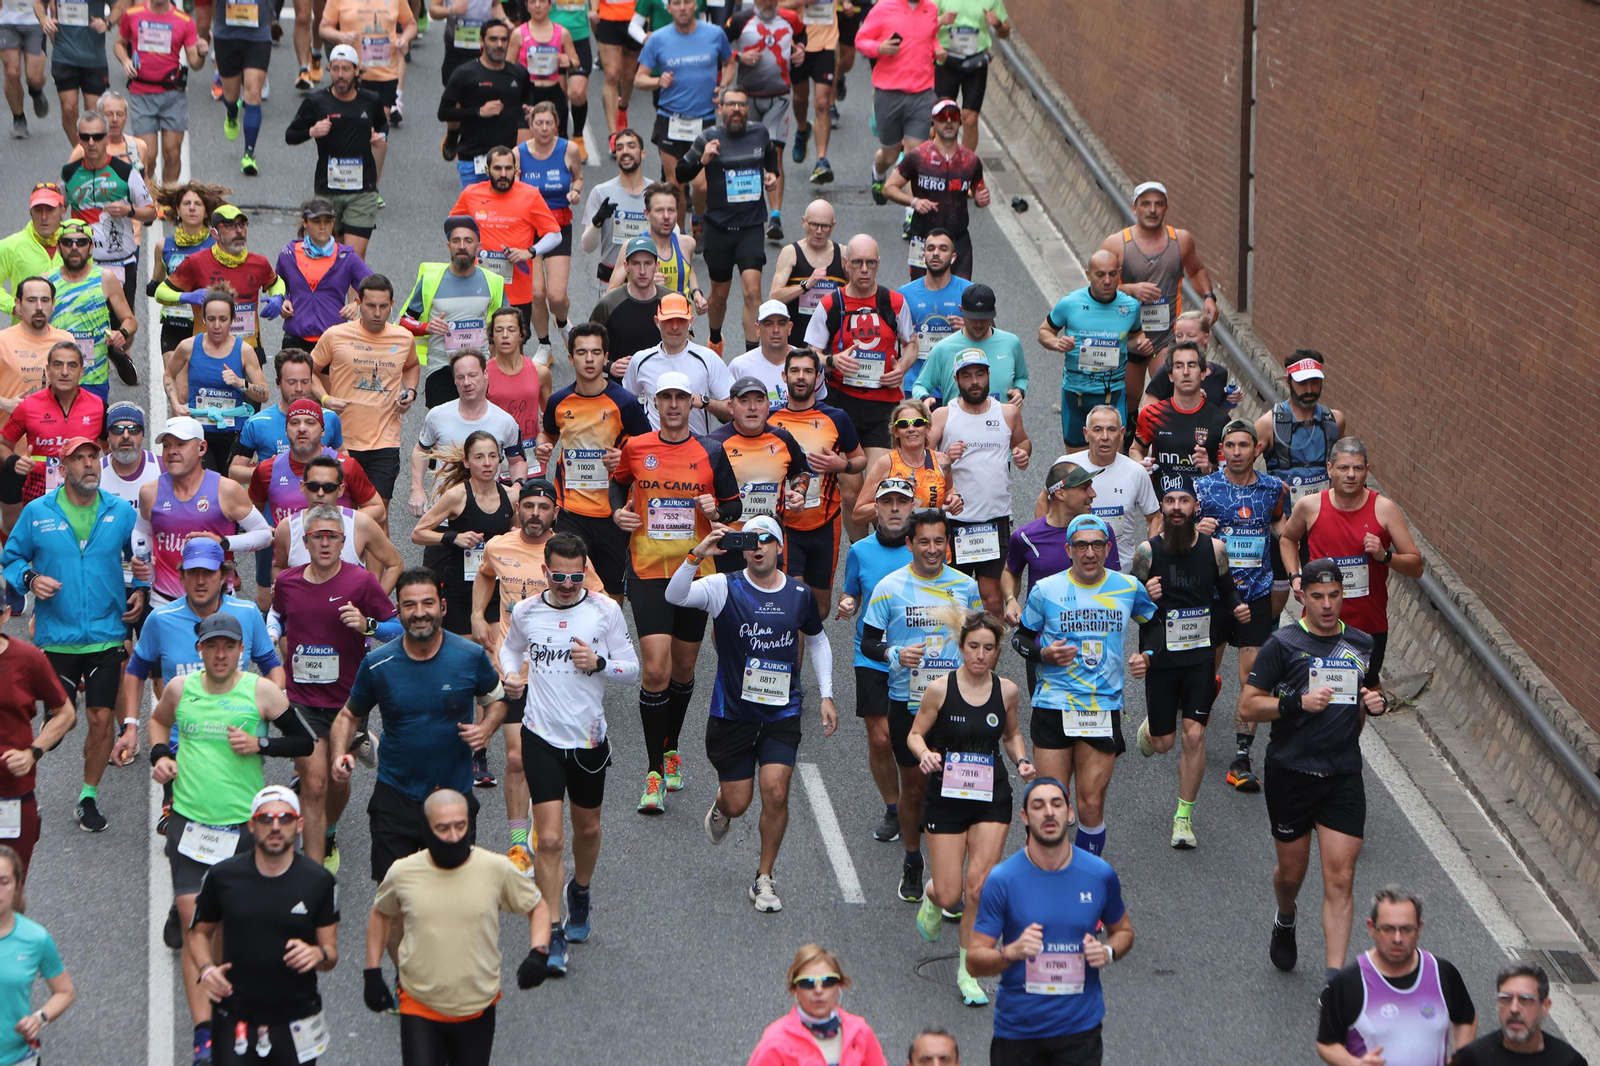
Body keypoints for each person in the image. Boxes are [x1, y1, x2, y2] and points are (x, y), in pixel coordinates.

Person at [148, 610, 314, 1066]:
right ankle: (204, 1034)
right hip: (189, 823)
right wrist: (160, 756)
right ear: (199, 650)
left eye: (228, 647)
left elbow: (304, 743)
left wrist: (260, 745)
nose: (220, 654)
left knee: (229, 930)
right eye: (211, 646)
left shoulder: (260, 690)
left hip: (244, 830)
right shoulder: (181, 689)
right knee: (194, 925)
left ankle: (227, 1010)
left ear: (241, 651)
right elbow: (159, 724)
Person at [1238, 556, 1388, 983]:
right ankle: (1286, 916)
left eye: (1334, 596)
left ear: (1344, 596)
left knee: (1340, 878)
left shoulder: (1360, 643)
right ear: (1302, 596)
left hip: (1342, 774)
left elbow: (1367, 695)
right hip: (1291, 770)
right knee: (1291, 874)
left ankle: (1334, 980)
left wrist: (1376, 704)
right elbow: (1248, 705)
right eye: (1317, 597)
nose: (1326, 605)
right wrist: (1295, 703)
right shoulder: (1282, 645)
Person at [674, 517, 835, 912]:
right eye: (750, 541)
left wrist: (827, 695)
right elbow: (675, 596)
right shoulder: (722, 587)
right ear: (742, 548)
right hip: (733, 714)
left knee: (777, 790)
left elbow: (817, 641)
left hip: (782, 713)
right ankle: (723, 805)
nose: (758, 547)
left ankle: (764, 877)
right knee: (738, 803)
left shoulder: (798, 594)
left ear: (780, 548)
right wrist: (697, 556)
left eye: (767, 540)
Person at [609, 371, 742, 811]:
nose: (672, 405)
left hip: (695, 570)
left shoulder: (711, 450)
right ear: (654, 402)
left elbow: (735, 505)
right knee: (655, 671)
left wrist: (716, 509)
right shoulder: (637, 447)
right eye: (664, 397)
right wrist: (617, 514)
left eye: (680, 398)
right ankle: (652, 772)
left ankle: (670, 748)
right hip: (647, 569)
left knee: (684, 670)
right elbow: (618, 483)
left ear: (691, 403)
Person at [495, 529, 628, 965]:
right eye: (558, 577)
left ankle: (581, 891)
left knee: (586, 830)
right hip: (540, 735)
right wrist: (511, 677)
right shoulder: (528, 611)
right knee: (549, 840)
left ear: (585, 570)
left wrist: (601, 663)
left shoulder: (604, 611)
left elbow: (633, 667)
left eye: (575, 578)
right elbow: (510, 650)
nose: (567, 586)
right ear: (544, 570)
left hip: (588, 739)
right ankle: (550, 929)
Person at [1, 434, 144, 834]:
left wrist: (141, 592)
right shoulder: (37, 512)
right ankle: (22, 779)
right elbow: (10, 559)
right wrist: (31, 579)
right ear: (63, 469)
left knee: (100, 718)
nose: (88, 465)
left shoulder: (119, 511)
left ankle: (87, 796)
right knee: (58, 724)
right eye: (78, 459)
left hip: (105, 634)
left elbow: (141, 557)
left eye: (93, 458)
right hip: (56, 636)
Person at [118, 539, 285, 850]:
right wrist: (130, 726)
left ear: (225, 576)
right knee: (187, 840)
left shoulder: (247, 614)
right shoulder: (161, 619)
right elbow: (136, 671)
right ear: (181, 576)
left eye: (208, 573)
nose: (200, 581)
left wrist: (263, 711)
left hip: (235, 743)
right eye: (192, 573)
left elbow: (273, 669)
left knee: (232, 840)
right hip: (184, 745)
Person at [362, 789, 551, 1061]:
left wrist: (538, 952)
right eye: (442, 828)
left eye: (460, 826)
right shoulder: (403, 872)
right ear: (426, 829)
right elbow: (381, 913)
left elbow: (537, 906)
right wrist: (372, 971)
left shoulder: (495, 869)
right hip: (419, 1004)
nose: (453, 836)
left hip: (477, 1004)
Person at [1011, 514, 1155, 856]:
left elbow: (1154, 621)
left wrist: (1147, 654)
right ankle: (1045, 880)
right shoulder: (1046, 589)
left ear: (1107, 548)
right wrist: (1044, 653)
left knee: (1090, 803)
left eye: (1096, 545)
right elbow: (1020, 640)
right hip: (1053, 705)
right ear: (1069, 549)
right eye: (1081, 545)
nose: (1089, 553)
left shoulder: (1128, 587)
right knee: (1050, 804)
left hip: (1101, 709)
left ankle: (1085, 880)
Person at [967, 776, 1134, 1066]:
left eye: (1057, 804)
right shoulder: (1003, 879)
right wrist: (1011, 952)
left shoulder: (1099, 875)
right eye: (1038, 806)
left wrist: (1108, 952)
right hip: (1018, 1032)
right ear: (1025, 817)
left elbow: (1123, 931)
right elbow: (974, 960)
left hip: (1079, 1031)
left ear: (1070, 813)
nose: (1048, 812)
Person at [907, 612, 1029, 1006]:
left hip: (990, 796)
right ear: (961, 648)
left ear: (996, 652)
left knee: (977, 888)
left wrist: (1021, 761)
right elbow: (914, 735)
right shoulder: (940, 690)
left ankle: (968, 971)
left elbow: (1010, 734)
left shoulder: (1007, 691)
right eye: (973, 647)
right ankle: (932, 896)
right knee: (950, 893)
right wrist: (924, 754)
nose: (980, 655)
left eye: (988, 648)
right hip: (945, 796)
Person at [267, 506, 398, 870]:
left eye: (333, 536)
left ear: (343, 543)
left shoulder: (361, 582)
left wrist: (367, 624)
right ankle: (312, 872)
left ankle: (329, 831)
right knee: (314, 783)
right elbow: (277, 615)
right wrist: (273, 635)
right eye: (317, 537)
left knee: (338, 778)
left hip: (348, 703)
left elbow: (398, 629)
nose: (325, 543)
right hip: (303, 700)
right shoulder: (290, 582)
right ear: (306, 542)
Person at [860, 508, 981, 901]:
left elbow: (980, 639)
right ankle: (913, 859)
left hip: (958, 703)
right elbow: (868, 643)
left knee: (958, 789)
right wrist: (895, 654)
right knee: (914, 790)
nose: (932, 549)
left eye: (939, 541)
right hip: (908, 704)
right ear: (909, 544)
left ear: (948, 543)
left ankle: (952, 876)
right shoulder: (889, 587)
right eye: (924, 542)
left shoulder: (964, 586)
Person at [1128, 471, 1246, 849]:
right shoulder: (1147, 552)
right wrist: (1145, 591)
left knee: (1194, 735)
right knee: (1164, 744)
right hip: (1161, 658)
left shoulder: (1214, 549)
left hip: (1199, 657)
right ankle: (1151, 730)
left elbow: (1227, 590)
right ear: (1162, 507)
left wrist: (1239, 608)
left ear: (1196, 506)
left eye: (1184, 501)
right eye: (1170, 502)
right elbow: (1131, 607)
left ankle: (1183, 817)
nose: (1177, 508)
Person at [189, 785, 341, 1066]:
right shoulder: (222, 877)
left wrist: (317, 954)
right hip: (235, 1015)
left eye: (285, 819)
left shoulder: (319, 882)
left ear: (299, 824)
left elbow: (330, 954)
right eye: (265, 819)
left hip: (297, 1018)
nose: (275, 826)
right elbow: (199, 933)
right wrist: (206, 969)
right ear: (251, 825)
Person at [1280, 438, 1424, 690]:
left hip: (1368, 626)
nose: (1350, 475)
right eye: (1344, 468)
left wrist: (1385, 556)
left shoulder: (1385, 509)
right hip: (1318, 623)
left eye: (1357, 468)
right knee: (1317, 692)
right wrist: (1295, 577)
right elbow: (1288, 539)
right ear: (1329, 469)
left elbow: (1416, 566)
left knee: (1361, 695)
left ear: (1367, 469)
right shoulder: (1310, 506)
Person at [804, 233, 917, 542]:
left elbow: (911, 345)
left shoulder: (894, 302)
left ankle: (887, 548)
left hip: (884, 406)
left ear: (878, 264)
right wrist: (831, 361)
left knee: (883, 485)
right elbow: (809, 352)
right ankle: (861, 551)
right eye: (858, 263)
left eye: (870, 263)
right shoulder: (831, 303)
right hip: (844, 406)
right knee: (851, 490)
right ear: (846, 265)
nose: (864, 269)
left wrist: (902, 368)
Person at [1195, 419, 1287, 793]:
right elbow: (1177, 534)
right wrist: (1198, 533)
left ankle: (1242, 759)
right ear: (1222, 451)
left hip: (1257, 594)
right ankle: (1194, 722)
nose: (1236, 452)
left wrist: (1296, 568)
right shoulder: (1204, 488)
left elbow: (1283, 530)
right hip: (1215, 596)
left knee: (1253, 678)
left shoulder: (1272, 489)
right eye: (1229, 445)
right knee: (1205, 671)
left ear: (1256, 449)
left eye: (1243, 445)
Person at [538, 324, 650, 599]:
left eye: (596, 353)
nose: (589, 359)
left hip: (611, 514)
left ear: (605, 357)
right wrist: (544, 445)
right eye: (582, 352)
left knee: (611, 595)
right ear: (570, 358)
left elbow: (649, 453)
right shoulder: (558, 401)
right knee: (567, 585)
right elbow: (549, 434)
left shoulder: (624, 402)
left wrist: (624, 459)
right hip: (570, 511)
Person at [835, 476, 915, 840]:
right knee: (881, 738)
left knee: (917, 737)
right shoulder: (861, 551)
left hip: (918, 658)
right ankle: (894, 807)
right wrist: (848, 604)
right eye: (887, 502)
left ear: (912, 507)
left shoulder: (926, 547)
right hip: (872, 654)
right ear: (876, 509)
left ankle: (918, 799)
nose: (895, 509)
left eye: (902, 502)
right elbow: (852, 596)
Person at [1316, 886, 1477, 1066]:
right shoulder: (1348, 982)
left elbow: (1466, 1019)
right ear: (1372, 928)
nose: (1398, 938)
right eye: (1388, 929)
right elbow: (1326, 1044)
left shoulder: (1442, 973)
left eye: (1407, 929)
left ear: (1420, 928)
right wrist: (1354, 1063)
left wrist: (1460, 1059)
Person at [676, 85, 781, 354]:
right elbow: (680, 173)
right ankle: (714, 338)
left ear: (747, 109)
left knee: (752, 291)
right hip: (719, 228)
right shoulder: (709, 137)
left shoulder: (759, 133)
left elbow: (770, 154)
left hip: (751, 227)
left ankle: (752, 353)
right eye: (731, 104)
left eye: (742, 105)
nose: (737, 109)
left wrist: (771, 173)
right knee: (719, 296)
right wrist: (703, 159)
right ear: (720, 108)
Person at [311, 273, 420, 525]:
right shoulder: (335, 335)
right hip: (343, 441)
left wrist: (410, 391)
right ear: (358, 302)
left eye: (384, 306)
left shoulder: (403, 338)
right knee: (340, 516)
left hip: (385, 441)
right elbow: (310, 372)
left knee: (378, 516)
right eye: (370, 306)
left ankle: (374, 567)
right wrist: (325, 399)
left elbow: (412, 366)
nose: (377, 313)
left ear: (392, 304)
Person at [928, 348, 1029, 616]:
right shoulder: (943, 415)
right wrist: (945, 457)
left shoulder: (1007, 413)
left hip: (994, 519)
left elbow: (1022, 441)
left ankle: (987, 653)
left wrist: (1022, 454)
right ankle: (957, 653)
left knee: (992, 599)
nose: (974, 381)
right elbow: (918, 458)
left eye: (979, 375)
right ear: (956, 380)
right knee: (954, 598)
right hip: (955, 520)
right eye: (967, 376)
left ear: (988, 376)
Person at [1099, 181, 1219, 405]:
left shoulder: (1181, 240)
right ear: (1134, 208)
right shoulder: (1116, 244)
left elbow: (1196, 270)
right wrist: (1131, 289)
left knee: (1168, 396)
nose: (1152, 210)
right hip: (1128, 337)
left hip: (1165, 336)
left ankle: (1162, 438)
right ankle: (1130, 440)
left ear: (1166, 208)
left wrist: (1209, 297)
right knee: (1128, 401)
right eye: (1145, 204)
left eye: (1158, 204)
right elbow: (1097, 290)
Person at [136, 415, 274, 606]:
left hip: (218, 604)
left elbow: (265, 535)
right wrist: (141, 556)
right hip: (164, 603)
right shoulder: (150, 492)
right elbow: (141, 532)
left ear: (202, 448)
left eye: (181, 444)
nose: (172, 451)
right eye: (167, 445)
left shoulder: (226, 490)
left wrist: (224, 543)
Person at [283, 44, 388, 259]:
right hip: (328, 189)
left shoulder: (370, 100)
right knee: (331, 257)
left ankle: (356, 295)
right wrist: (312, 131)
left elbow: (382, 125)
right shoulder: (316, 101)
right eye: (336, 69)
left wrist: (380, 137)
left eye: (346, 69)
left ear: (357, 71)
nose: (340, 75)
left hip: (362, 190)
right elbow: (290, 135)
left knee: (353, 257)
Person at [634, 0, 732, 231]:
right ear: (668, 8)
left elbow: (729, 63)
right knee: (674, 185)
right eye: (676, 3)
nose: (682, 7)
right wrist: (658, 81)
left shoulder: (715, 34)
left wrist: (723, 87)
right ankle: (678, 236)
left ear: (696, 6)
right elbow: (639, 78)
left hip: (704, 120)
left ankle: (698, 217)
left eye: (687, 2)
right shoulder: (658, 38)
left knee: (702, 186)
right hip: (671, 119)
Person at [1039, 249, 1151, 449]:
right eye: (1100, 275)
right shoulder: (1070, 303)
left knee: (1111, 463)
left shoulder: (1130, 307)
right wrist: (1057, 343)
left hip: (1113, 394)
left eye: (1112, 274)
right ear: (1088, 274)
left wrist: (1141, 344)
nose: (1107, 281)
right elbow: (1044, 332)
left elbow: (1135, 336)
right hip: (1077, 394)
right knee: (1077, 465)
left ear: (1119, 273)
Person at [0, 577, 75, 872]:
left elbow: (66, 714)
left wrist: (32, 752)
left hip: (12, 797)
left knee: (8, 892)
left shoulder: (28, 659)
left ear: (5, 614)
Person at [1007, 464, 1121, 655]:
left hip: (1094, 645)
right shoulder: (1025, 536)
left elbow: (1114, 585)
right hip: (1043, 646)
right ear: (1060, 494)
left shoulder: (1101, 532)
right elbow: (1010, 571)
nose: (1093, 494)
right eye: (1084, 488)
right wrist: (1011, 599)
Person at [448, 145, 563, 329]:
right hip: (478, 284)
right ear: (487, 170)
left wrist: (530, 252)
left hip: (517, 289)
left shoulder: (530, 195)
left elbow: (555, 235)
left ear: (516, 170)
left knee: (513, 345)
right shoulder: (471, 194)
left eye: (508, 168)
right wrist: (467, 246)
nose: (503, 174)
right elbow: (453, 226)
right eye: (498, 168)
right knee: (481, 342)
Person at [414, 427, 515, 629]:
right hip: (462, 587)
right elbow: (418, 533)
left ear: (499, 460)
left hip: (496, 586)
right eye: (479, 457)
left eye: (492, 456)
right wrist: (452, 537)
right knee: (466, 653)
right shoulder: (457, 496)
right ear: (467, 462)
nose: (487, 463)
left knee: (494, 652)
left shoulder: (511, 497)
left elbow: (517, 537)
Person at [60, 108, 157, 312]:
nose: (92, 143)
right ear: (79, 139)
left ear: (107, 138)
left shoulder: (125, 172)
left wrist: (128, 211)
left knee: (123, 328)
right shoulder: (69, 173)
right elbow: (57, 209)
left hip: (120, 262)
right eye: (86, 137)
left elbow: (151, 212)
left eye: (97, 136)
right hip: (82, 263)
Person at [410, 350, 525, 516]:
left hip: (489, 515)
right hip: (444, 514)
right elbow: (421, 450)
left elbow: (516, 461)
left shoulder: (505, 422)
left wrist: (517, 487)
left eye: (472, 375)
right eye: (460, 377)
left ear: (485, 374)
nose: (466, 382)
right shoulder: (437, 416)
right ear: (454, 380)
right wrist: (417, 489)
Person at [157, 204, 283, 355]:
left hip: (248, 350)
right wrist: (186, 297)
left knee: (255, 380)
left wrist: (278, 297)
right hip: (207, 351)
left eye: (242, 225)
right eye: (230, 226)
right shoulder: (196, 262)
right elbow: (160, 292)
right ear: (215, 234)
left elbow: (276, 282)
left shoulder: (259, 263)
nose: (239, 231)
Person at [0, 341, 105, 518]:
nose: (64, 372)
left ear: (81, 372)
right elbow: (3, 444)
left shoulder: (98, 406)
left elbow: (111, 447)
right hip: (37, 493)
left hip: (83, 492)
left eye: (72, 366)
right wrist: (13, 461)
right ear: (48, 370)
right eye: (58, 365)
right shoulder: (28, 406)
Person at [167, 290, 270, 469]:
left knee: (227, 486)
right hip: (199, 431)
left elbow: (264, 394)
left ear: (232, 319)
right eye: (212, 319)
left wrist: (241, 383)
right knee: (206, 484)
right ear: (204, 319)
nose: (217, 325)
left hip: (232, 432)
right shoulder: (188, 346)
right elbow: (169, 374)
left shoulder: (244, 351)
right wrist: (175, 404)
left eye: (223, 319)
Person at [726, 0, 801, 242]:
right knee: (746, 155)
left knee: (774, 155)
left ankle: (775, 216)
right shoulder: (740, 19)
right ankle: (744, 208)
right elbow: (719, 44)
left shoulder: (791, 17)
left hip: (779, 98)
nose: (768, 2)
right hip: (747, 100)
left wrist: (800, 50)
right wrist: (739, 55)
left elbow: (803, 38)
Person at [886, 102, 989, 276]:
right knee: (920, 297)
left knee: (960, 298)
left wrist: (981, 200)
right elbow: (889, 188)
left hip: (958, 240)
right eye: (942, 118)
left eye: (954, 117)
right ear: (933, 121)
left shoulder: (971, 161)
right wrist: (914, 201)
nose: (948, 122)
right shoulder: (918, 156)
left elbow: (980, 191)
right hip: (923, 238)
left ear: (960, 122)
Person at [855, 0, 940, 211]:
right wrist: (878, 47)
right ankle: (879, 172)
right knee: (890, 155)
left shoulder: (931, 9)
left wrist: (939, 50)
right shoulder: (884, 7)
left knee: (915, 156)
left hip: (922, 93)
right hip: (889, 93)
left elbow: (932, 40)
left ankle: (911, 212)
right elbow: (861, 40)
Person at [516, 100, 583, 361]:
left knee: (556, 296)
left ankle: (563, 322)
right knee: (536, 293)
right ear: (531, 125)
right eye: (539, 123)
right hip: (528, 230)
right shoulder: (519, 153)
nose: (544, 128)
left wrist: (576, 190)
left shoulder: (569, 149)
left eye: (549, 123)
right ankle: (545, 345)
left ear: (557, 125)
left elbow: (578, 176)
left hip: (558, 227)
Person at [709, 377, 811, 547]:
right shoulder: (713, 444)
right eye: (744, 401)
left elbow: (801, 470)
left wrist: (799, 492)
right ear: (730, 407)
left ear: (768, 405)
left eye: (759, 400)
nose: (753, 407)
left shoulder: (783, 438)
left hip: (769, 538)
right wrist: (709, 520)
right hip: (727, 539)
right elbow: (697, 488)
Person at [747, 944, 889, 1066]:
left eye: (828, 981)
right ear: (794, 989)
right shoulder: (776, 1041)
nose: (818, 990)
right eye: (807, 983)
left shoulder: (860, 1032)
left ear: (839, 986)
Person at [270, 453, 400, 585]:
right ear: (303, 487)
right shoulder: (287, 527)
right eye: (313, 486)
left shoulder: (360, 523)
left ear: (341, 490)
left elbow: (395, 564)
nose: (320, 493)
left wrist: (375, 602)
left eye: (329, 487)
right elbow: (278, 567)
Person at [114, 0, 207, 185]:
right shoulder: (133, 14)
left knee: (172, 152)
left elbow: (195, 63)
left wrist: (202, 53)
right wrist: (125, 61)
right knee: (147, 155)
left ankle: (168, 197)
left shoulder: (184, 21)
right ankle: (150, 197)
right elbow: (118, 43)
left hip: (172, 94)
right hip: (141, 93)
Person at [1053, 405, 1155, 572]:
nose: (1105, 437)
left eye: (1112, 430)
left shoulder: (1136, 471)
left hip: (1122, 572)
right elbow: (1046, 507)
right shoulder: (1066, 466)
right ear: (1086, 434)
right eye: (1098, 430)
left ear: (1122, 434)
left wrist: (1149, 554)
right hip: (1075, 571)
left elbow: (1154, 518)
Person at [47, 217, 139, 397]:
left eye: (81, 242)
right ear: (58, 248)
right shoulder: (47, 281)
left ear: (90, 248)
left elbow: (130, 320)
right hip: (57, 378)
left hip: (94, 379)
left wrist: (123, 334)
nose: (74, 247)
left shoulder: (106, 278)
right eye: (67, 242)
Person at [403, 217, 505, 379]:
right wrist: (426, 327)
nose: (462, 246)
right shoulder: (430, 280)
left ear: (478, 247)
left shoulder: (493, 281)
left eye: (468, 241)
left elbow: (507, 325)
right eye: (456, 241)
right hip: (441, 368)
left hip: (478, 369)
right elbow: (404, 321)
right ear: (448, 246)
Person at [0, 846, 74, 1066]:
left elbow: (65, 991)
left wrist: (39, 1018)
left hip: (17, 1059)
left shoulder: (35, 938)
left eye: (4, 882)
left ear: (17, 887)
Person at [622, 291, 734, 434]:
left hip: (696, 450)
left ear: (690, 322)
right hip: (655, 452)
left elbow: (734, 411)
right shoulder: (641, 361)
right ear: (657, 322)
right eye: (668, 320)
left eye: (681, 320)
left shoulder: (707, 358)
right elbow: (625, 406)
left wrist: (705, 402)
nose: (675, 327)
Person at [275, 199, 374, 358]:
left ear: (333, 222)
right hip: (295, 339)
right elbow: (276, 283)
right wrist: (282, 300)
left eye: (328, 221)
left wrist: (357, 304)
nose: (323, 226)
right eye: (316, 221)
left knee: (328, 384)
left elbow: (375, 286)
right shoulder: (289, 253)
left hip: (333, 340)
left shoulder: (346, 256)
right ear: (305, 223)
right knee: (294, 383)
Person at [439, 19, 531, 188]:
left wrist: (530, 111)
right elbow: (444, 112)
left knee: (505, 214)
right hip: (473, 159)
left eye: (504, 40)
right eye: (493, 39)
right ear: (481, 41)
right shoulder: (464, 73)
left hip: (506, 163)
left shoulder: (519, 74)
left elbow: (527, 104)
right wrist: (478, 111)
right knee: (476, 214)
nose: (499, 45)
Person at [1254, 349, 1348, 507]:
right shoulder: (1268, 424)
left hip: (1326, 517)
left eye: (1315, 382)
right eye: (1302, 383)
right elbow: (1240, 468)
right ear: (1287, 381)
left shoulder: (1335, 420)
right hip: (1284, 521)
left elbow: (1349, 463)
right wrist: (1267, 484)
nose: (1309, 390)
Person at [1130, 341, 1228, 486]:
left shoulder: (1220, 420)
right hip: (1162, 503)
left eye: (1192, 365)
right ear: (1170, 375)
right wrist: (1139, 464)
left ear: (1202, 373)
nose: (1186, 372)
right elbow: (1135, 450)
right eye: (1178, 366)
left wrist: (1209, 468)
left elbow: (1229, 473)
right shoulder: (1152, 414)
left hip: (1203, 504)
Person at [914, 283, 1026, 408]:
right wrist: (925, 398)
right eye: (973, 318)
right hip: (958, 425)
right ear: (961, 310)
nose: (978, 324)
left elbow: (1021, 377)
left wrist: (1019, 391)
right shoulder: (943, 348)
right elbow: (920, 386)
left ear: (994, 310)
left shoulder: (1011, 343)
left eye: (984, 318)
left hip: (1002, 424)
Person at [148, 181, 226, 357]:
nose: (192, 208)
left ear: (206, 211)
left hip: (205, 324)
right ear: (177, 209)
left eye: (198, 204)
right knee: (173, 382)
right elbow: (155, 286)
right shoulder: (163, 246)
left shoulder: (217, 246)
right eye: (186, 204)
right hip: (174, 322)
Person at [1451, 965, 1587, 1066]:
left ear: (1545, 1006)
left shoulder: (1569, 1061)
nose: (1514, 1009)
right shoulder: (1472, 1059)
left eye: (1526, 1000)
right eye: (1506, 999)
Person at [853, 398, 956, 526]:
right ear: (895, 432)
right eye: (903, 424)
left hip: (931, 540)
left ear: (927, 427)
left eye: (918, 423)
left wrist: (955, 498)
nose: (911, 429)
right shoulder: (886, 464)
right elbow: (858, 514)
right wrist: (892, 495)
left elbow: (949, 490)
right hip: (898, 541)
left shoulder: (942, 461)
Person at [602, 181, 703, 305]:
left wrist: (697, 293)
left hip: (680, 321)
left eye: (671, 210)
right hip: (643, 320)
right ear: (647, 214)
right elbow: (610, 292)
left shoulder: (687, 244)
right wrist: (641, 284)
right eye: (660, 210)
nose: (666, 216)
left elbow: (689, 271)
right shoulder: (631, 247)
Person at [318, 0, 415, 125]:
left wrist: (404, 39)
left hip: (386, 74)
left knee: (376, 128)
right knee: (354, 127)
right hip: (353, 74)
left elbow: (411, 24)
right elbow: (324, 28)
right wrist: (340, 36)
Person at [895, 229, 968, 394]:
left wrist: (969, 328)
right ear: (923, 255)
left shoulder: (968, 291)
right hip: (917, 385)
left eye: (943, 249)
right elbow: (892, 338)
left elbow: (988, 335)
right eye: (930, 248)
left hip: (956, 387)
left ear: (953, 257)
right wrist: (901, 335)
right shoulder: (904, 294)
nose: (936, 253)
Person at [579, 128, 648, 300]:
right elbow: (587, 247)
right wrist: (597, 222)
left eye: (631, 146)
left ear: (643, 153)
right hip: (611, 285)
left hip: (648, 284)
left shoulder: (656, 193)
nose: (625, 152)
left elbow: (673, 238)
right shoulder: (601, 193)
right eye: (619, 148)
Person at [768, 199, 845, 346]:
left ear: (833, 226)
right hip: (797, 338)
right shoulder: (791, 253)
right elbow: (774, 296)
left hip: (833, 339)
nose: (819, 231)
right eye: (814, 224)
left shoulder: (842, 254)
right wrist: (805, 286)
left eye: (825, 226)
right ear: (804, 222)